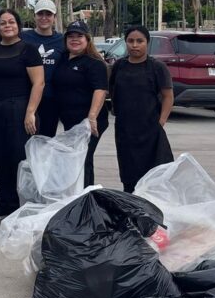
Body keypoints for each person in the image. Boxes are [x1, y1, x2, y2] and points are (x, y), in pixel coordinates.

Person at [0, 9, 44, 220]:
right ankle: (5, 204)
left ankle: (23, 205)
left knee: (19, 158)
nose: (7, 25)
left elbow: (39, 83)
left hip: (20, 109)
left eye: (12, 22)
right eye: (3, 23)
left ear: (18, 26)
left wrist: (30, 112)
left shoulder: (29, 50)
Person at [110, 25, 175, 193]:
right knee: (129, 174)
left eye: (140, 41)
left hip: (150, 130)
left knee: (154, 176)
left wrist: (161, 122)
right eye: (130, 41)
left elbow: (168, 96)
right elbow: (112, 92)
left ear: (147, 43)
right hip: (125, 131)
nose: (135, 45)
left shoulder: (157, 67)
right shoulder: (119, 66)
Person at [53, 21, 109, 187]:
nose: (75, 39)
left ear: (87, 39)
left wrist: (91, 117)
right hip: (70, 121)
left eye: (79, 36)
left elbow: (100, 90)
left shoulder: (94, 63)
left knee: (84, 159)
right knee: (73, 160)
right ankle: (75, 197)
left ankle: (87, 199)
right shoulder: (63, 59)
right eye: (71, 36)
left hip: (89, 122)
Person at [21, 0, 64, 137]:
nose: (44, 17)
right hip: (26, 97)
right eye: (40, 14)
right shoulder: (23, 37)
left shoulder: (62, 40)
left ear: (54, 17)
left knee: (45, 141)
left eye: (48, 14)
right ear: (34, 16)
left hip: (51, 99)